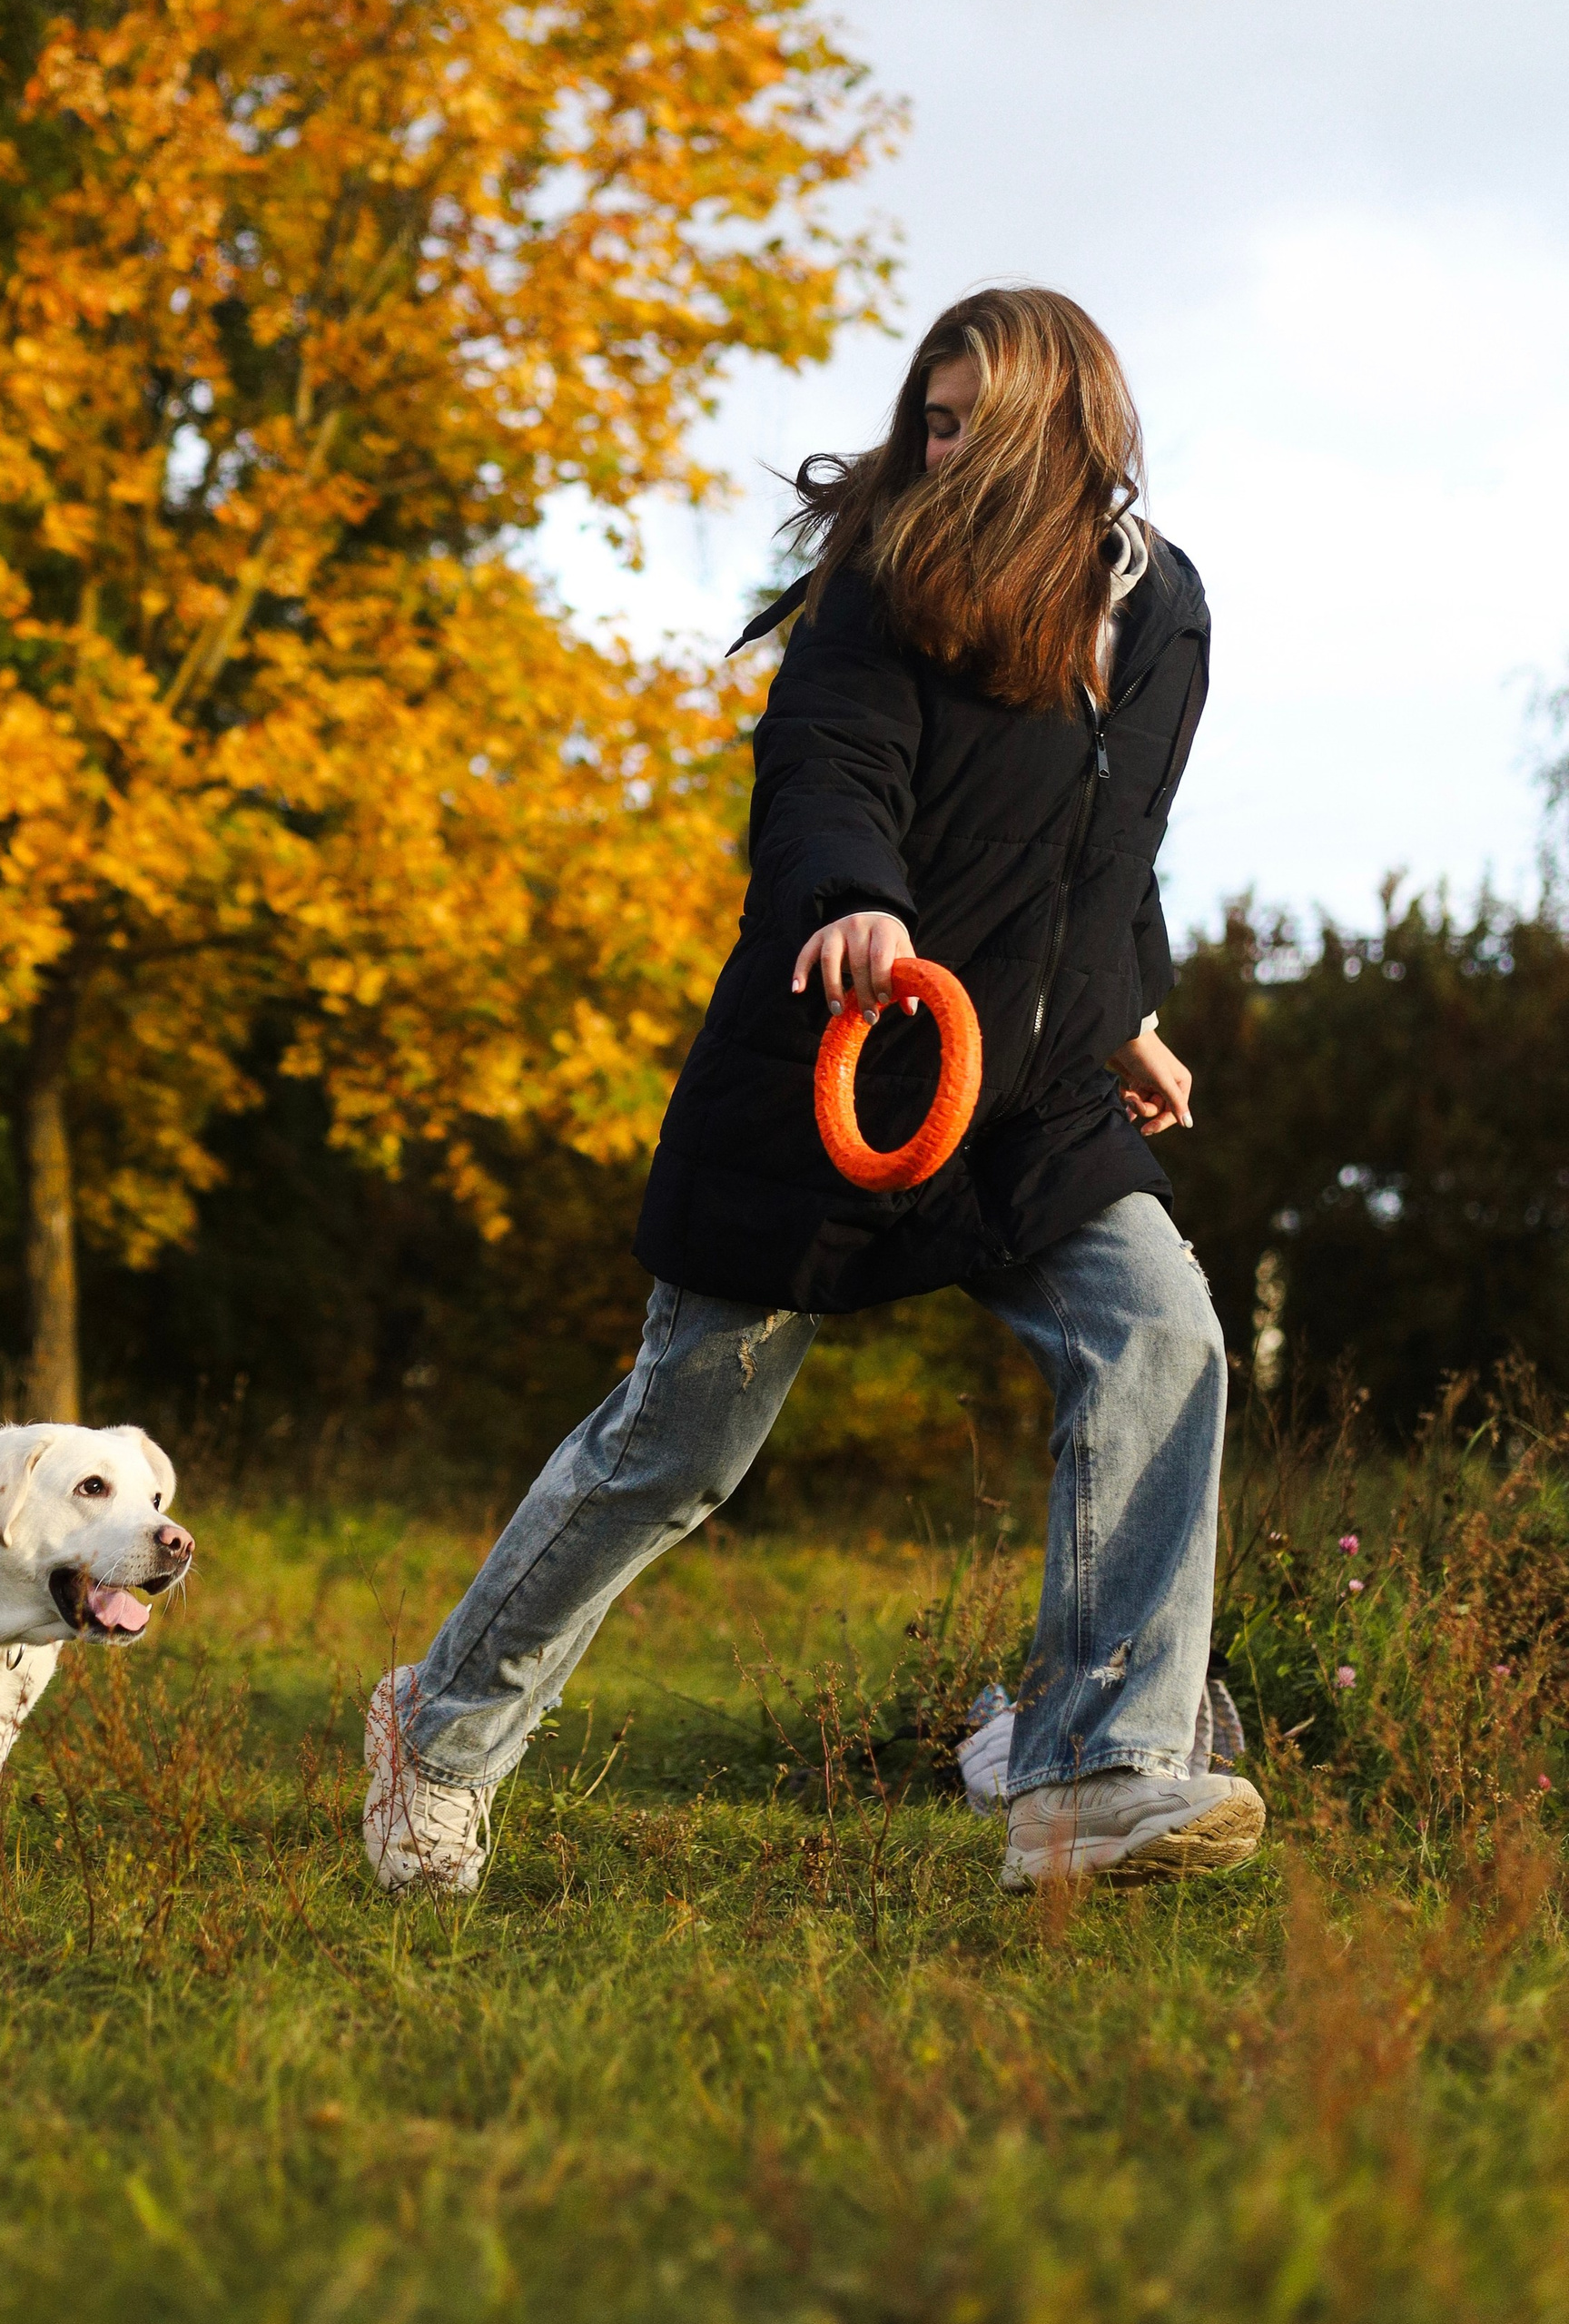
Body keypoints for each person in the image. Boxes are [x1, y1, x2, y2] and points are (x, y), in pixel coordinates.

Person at [362, 285, 1264, 1896]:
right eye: (933, 412)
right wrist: (855, 898)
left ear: (1072, 429)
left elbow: (1113, 844)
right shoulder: (888, 579)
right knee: (674, 1453)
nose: (943, 439)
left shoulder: (1164, 605)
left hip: (1038, 1096)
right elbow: (827, 768)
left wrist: (1124, 1013)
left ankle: (1094, 1775)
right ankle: (437, 1734)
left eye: (977, 416)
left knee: (1163, 1336)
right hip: (837, 1066)